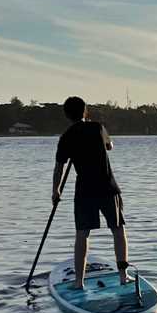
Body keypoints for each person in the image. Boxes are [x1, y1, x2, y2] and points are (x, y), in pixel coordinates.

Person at [53, 96, 130, 288]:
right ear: (85, 111)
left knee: (82, 234)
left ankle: (79, 282)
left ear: (66, 115)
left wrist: (56, 191)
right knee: (118, 230)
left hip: (85, 191)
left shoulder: (66, 137)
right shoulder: (98, 128)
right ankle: (123, 276)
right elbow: (110, 146)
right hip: (107, 187)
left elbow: (58, 168)